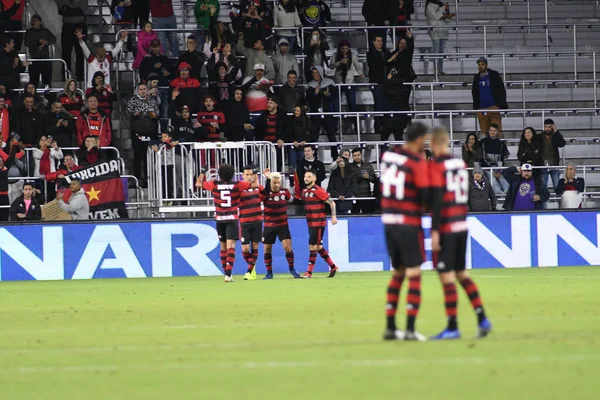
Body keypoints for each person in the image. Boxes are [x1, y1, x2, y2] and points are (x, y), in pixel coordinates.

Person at [429, 127, 492, 340]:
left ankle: (452, 327)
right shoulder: (460, 165)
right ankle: (482, 318)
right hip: (461, 224)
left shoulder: (436, 167)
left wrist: (435, 232)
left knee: (446, 277)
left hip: (447, 227)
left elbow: (438, 201)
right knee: (461, 274)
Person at [381, 122, 431, 341]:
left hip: (389, 222)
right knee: (414, 274)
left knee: (398, 273)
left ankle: (391, 327)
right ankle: (410, 329)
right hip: (409, 223)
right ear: (418, 139)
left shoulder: (388, 158)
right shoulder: (417, 161)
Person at [195, 164, 253, 282]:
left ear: (219, 174)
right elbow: (253, 184)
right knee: (231, 247)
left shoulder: (214, 184)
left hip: (220, 219)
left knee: (223, 248)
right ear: (232, 174)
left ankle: (226, 273)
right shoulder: (238, 184)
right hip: (232, 218)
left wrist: (202, 172)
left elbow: (198, 184)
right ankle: (228, 274)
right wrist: (254, 174)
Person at [260, 169, 300, 279]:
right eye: (274, 182)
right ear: (270, 182)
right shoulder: (265, 193)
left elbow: (294, 200)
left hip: (283, 225)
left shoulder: (285, 192)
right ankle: (269, 273)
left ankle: (292, 270)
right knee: (267, 249)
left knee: (287, 247)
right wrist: (267, 179)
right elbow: (261, 195)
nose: (277, 185)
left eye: (278, 182)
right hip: (269, 225)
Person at [301, 168, 338, 278]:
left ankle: (309, 272)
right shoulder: (304, 191)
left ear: (315, 178)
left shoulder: (318, 190)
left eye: (309, 176)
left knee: (312, 246)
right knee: (318, 247)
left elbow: (332, 203)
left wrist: (333, 216)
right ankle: (333, 266)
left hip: (318, 223)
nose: (306, 179)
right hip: (310, 223)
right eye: (305, 177)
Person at [127, 82, 159, 183]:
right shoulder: (132, 100)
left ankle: (149, 180)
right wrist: (135, 114)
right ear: (137, 91)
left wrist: (154, 115)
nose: (143, 91)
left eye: (144, 89)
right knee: (137, 156)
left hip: (150, 132)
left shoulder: (153, 101)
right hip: (137, 132)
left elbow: (158, 114)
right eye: (140, 89)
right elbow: (128, 113)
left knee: (149, 157)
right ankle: (136, 179)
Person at [306, 66, 338, 159]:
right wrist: (315, 94)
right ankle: (313, 157)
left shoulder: (329, 83)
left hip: (327, 113)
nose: (315, 74)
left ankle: (335, 157)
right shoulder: (310, 85)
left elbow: (335, 96)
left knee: (332, 135)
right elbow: (308, 99)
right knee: (314, 136)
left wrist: (328, 95)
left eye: (317, 72)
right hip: (315, 114)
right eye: (314, 73)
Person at [238, 166, 264, 281]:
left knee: (254, 246)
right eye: (246, 175)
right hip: (244, 222)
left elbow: (267, 196)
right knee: (245, 249)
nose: (249, 177)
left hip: (257, 221)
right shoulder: (239, 189)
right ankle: (252, 265)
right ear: (242, 176)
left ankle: (249, 271)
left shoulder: (259, 188)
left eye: (251, 174)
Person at [472, 57, 508, 137]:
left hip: (493, 107)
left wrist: (499, 105)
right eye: (479, 65)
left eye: (482, 64)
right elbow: (474, 93)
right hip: (481, 108)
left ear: (486, 65)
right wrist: (477, 108)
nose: (480, 66)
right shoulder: (476, 78)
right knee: (484, 132)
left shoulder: (494, 75)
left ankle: (501, 148)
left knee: (497, 131)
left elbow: (501, 89)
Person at [331, 40, 365, 116]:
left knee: (352, 104)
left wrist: (361, 73)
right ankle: (336, 122)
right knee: (336, 103)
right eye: (343, 48)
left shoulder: (352, 55)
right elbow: (331, 66)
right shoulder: (335, 55)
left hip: (349, 82)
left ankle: (355, 124)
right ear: (340, 48)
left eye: (346, 48)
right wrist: (340, 62)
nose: (345, 50)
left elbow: (357, 66)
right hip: (338, 82)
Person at [367, 35, 392, 138]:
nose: (380, 43)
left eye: (381, 41)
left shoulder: (387, 53)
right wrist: (388, 61)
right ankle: (378, 129)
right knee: (378, 106)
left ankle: (386, 128)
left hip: (387, 83)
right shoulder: (370, 53)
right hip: (377, 83)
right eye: (378, 41)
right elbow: (375, 64)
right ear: (373, 42)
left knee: (386, 106)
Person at [57, 0, 88, 82]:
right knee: (66, 53)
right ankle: (66, 75)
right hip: (67, 27)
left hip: (80, 25)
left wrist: (70, 8)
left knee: (80, 52)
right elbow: (60, 10)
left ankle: (80, 75)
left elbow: (84, 9)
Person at [23, 15, 56, 87]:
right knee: (34, 82)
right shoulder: (29, 32)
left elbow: (53, 39)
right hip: (34, 59)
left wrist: (46, 42)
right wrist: (38, 43)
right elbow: (26, 43)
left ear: (39, 22)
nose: (33, 22)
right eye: (32, 20)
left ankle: (48, 96)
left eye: (35, 20)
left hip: (45, 59)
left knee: (47, 82)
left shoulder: (45, 31)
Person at [425, 0, 454, 76]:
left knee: (441, 53)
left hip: (443, 30)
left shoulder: (441, 5)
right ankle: (436, 71)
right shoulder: (429, 6)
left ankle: (440, 70)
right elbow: (436, 17)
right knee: (436, 52)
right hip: (435, 31)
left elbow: (447, 20)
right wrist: (444, 7)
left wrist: (448, 12)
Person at [348, 147, 377, 214]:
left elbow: (374, 180)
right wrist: (359, 177)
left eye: (358, 155)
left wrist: (368, 177)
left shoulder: (368, 165)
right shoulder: (349, 167)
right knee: (354, 217)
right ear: (352, 157)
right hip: (354, 196)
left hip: (366, 196)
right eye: (354, 156)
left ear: (361, 155)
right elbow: (348, 181)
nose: (357, 157)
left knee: (367, 216)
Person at [540, 119, 566, 191]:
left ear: (552, 127)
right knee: (543, 188)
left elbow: (562, 144)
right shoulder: (539, 136)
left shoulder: (556, 136)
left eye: (549, 127)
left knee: (557, 187)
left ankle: (560, 202)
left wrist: (556, 131)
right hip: (542, 165)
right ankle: (543, 202)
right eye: (546, 126)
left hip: (554, 164)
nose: (547, 129)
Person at [285, 105, 310, 170]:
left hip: (303, 147)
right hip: (293, 146)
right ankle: (291, 180)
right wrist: (293, 141)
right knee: (292, 167)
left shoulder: (307, 121)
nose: (296, 112)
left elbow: (312, 134)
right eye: (295, 110)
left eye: (298, 111)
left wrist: (305, 141)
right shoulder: (290, 121)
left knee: (302, 167)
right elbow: (288, 133)